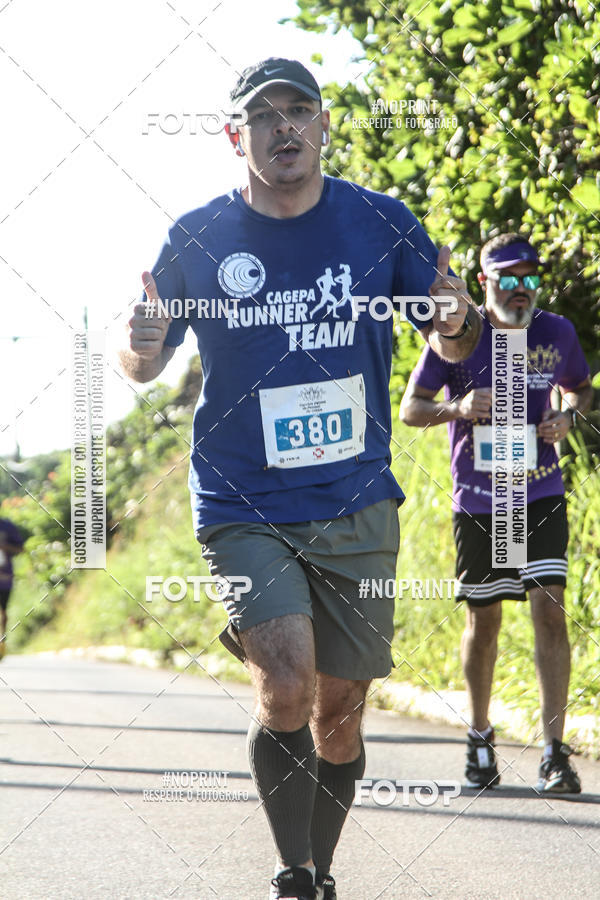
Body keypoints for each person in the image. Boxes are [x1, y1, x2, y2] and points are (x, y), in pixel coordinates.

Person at [119, 57, 479, 900]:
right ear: (233, 134)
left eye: (300, 110)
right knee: (286, 686)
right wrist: (139, 342)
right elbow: (142, 364)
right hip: (242, 498)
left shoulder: (379, 221)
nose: (284, 127)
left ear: (323, 124)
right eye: (264, 114)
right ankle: (295, 875)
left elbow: (453, 341)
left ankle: (320, 867)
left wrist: (458, 321)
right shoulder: (200, 237)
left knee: (338, 712)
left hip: (356, 497)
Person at [400, 233, 593, 794]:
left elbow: (580, 389)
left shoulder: (556, 332)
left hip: (538, 492)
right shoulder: (458, 334)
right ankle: (480, 738)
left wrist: (568, 416)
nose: (521, 288)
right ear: (484, 282)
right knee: (483, 623)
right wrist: (456, 407)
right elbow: (411, 409)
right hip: (481, 501)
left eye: (530, 277)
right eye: (508, 278)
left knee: (550, 613)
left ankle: (554, 753)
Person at [0, 517, 24, 660]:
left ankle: (2, 643)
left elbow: (20, 549)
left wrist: (4, 547)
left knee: (3, 611)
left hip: (4, 578)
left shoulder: (7, 526)